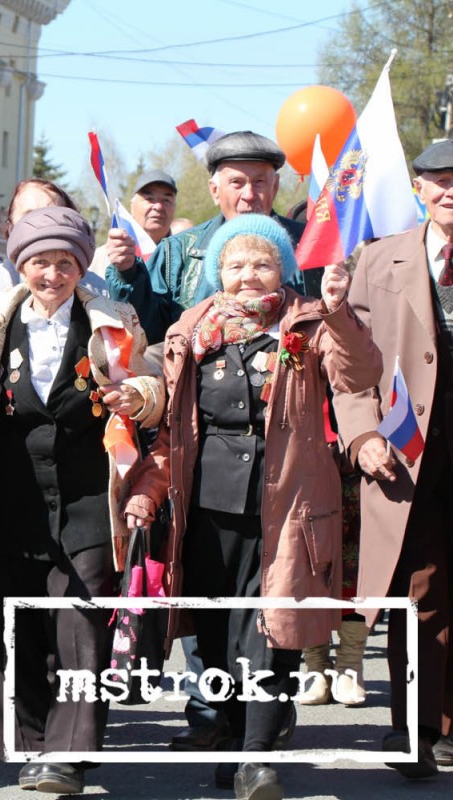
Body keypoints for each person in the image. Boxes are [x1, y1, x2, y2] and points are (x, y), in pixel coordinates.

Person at [124, 214, 381, 798]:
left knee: (271, 628)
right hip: (206, 508)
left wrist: (338, 311)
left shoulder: (310, 321)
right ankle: (236, 741)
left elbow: (360, 373)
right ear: (217, 271)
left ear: (284, 267)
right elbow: (168, 421)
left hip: (287, 503)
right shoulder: (194, 328)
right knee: (214, 633)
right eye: (235, 264)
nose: (248, 275)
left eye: (262, 262)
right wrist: (149, 484)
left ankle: (259, 756)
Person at [0, 206, 162, 794]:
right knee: (9, 625)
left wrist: (138, 396)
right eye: (39, 262)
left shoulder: (112, 319)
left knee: (81, 620)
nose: (51, 274)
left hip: (89, 493)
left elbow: (152, 383)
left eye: (64, 262)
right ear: (22, 266)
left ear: (80, 267)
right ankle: (30, 741)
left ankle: (68, 753)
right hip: (5, 494)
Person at [331, 139, 453, 776]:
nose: (450, 190)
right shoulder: (378, 261)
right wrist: (363, 435)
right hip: (410, 455)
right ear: (420, 187)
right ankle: (416, 731)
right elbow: (351, 370)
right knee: (421, 592)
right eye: (439, 180)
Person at [108, 131, 320, 344]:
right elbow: (148, 334)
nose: (249, 194)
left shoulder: (311, 246)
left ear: (274, 187)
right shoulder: (178, 253)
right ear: (214, 191)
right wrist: (128, 274)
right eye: (237, 182)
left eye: (259, 182)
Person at [90, 169, 178, 279]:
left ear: (175, 207)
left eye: (166, 200)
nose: (158, 207)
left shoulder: (184, 255)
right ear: (132, 205)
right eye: (149, 199)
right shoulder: (106, 256)